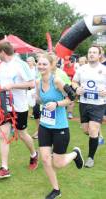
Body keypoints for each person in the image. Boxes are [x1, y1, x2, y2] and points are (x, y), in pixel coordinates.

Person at [36, 53, 84, 199]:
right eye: (39, 63)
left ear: (51, 66)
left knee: (58, 163)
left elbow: (72, 98)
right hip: (45, 125)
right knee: (44, 158)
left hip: (60, 127)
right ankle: (56, 189)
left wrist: (56, 104)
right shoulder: (37, 82)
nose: (41, 66)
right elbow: (39, 100)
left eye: (45, 64)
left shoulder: (56, 81)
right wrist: (37, 100)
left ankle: (75, 153)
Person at [0, 42, 38, 179]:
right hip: (4, 106)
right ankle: (4, 167)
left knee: (22, 134)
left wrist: (13, 85)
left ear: (2, 52)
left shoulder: (20, 64)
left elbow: (31, 84)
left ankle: (34, 155)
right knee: (4, 135)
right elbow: (1, 84)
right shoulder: (0, 66)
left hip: (19, 107)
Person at [72, 45, 106, 168]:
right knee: (86, 129)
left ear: (99, 55)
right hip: (84, 103)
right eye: (89, 52)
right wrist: (77, 88)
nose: (91, 54)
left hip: (99, 104)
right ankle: (97, 136)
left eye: (94, 52)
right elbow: (74, 81)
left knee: (93, 129)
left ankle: (90, 157)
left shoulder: (104, 69)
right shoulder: (82, 69)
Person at [26, 56, 40, 139]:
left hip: (35, 93)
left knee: (36, 112)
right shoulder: (25, 70)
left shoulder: (36, 69)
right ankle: (21, 130)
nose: (28, 62)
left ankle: (39, 131)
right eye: (27, 61)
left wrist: (36, 92)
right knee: (24, 110)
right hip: (26, 92)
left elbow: (39, 81)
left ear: (33, 62)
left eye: (29, 61)